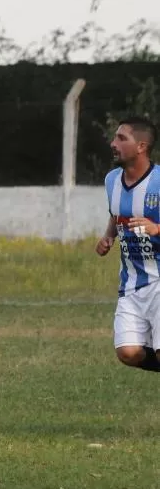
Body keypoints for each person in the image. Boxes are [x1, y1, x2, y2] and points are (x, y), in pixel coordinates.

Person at [95, 116, 160, 372]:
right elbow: (115, 213)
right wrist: (109, 236)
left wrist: (156, 228)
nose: (113, 143)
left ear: (141, 146)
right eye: (114, 137)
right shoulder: (112, 180)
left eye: (122, 138)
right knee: (128, 352)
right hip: (132, 283)